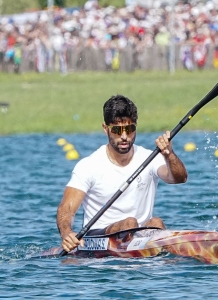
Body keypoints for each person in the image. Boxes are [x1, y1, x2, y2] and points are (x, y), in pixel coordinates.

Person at [57, 94, 188, 253]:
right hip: (97, 240)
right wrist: (67, 233)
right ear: (106, 129)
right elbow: (67, 208)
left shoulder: (150, 158)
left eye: (130, 129)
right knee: (129, 223)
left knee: (156, 223)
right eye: (117, 130)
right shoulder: (88, 166)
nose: (124, 136)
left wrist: (169, 154)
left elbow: (180, 178)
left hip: (139, 235)